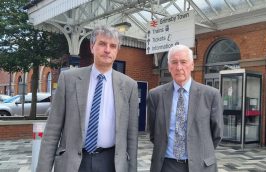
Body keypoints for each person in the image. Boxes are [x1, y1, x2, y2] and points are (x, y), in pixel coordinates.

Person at [36, 26, 138, 172]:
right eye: (102, 44)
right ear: (92, 46)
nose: (107, 50)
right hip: (73, 162)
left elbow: (132, 137)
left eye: (113, 46)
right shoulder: (68, 79)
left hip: (111, 163)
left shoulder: (129, 86)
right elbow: (52, 130)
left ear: (117, 51)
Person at [147, 44, 223, 172]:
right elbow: (154, 133)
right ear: (169, 66)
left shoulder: (211, 95)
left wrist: (199, 152)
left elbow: (217, 133)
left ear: (192, 65)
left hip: (201, 165)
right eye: (174, 62)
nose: (179, 67)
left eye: (183, 62)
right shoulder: (156, 95)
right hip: (165, 165)